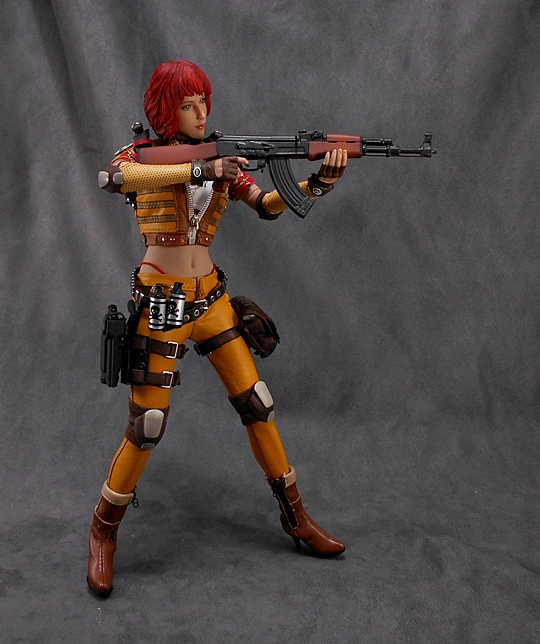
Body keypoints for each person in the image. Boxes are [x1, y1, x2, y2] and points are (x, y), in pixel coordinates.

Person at [88, 59, 347, 599]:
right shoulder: (143, 155)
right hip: (162, 300)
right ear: (166, 111)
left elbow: (268, 205)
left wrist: (318, 183)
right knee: (147, 423)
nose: (200, 112)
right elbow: (114, 177)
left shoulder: (224, 159)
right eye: (187, 104)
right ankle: (103, 531)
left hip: (210, 298)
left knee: (257, 403)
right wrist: (198, 171)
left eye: (203, 100)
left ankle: (296, 517)